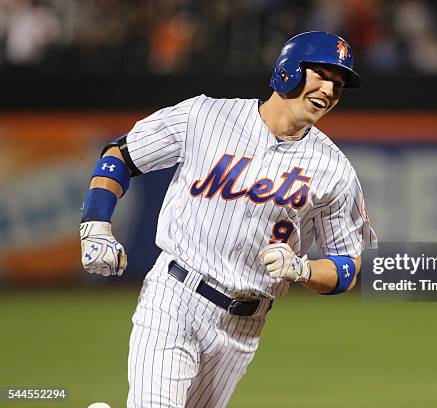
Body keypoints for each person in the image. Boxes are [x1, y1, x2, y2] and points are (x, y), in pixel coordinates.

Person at [79, 31, 377, 408]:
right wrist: (95, 225)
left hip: (244, 326)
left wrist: (302, 269)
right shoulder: (205, 115)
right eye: (321, 73)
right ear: (287, 70)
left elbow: (347, 268)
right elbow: (121, 156)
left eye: (338, 83)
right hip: (175, 297)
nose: (330, 89)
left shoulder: (335, 170)